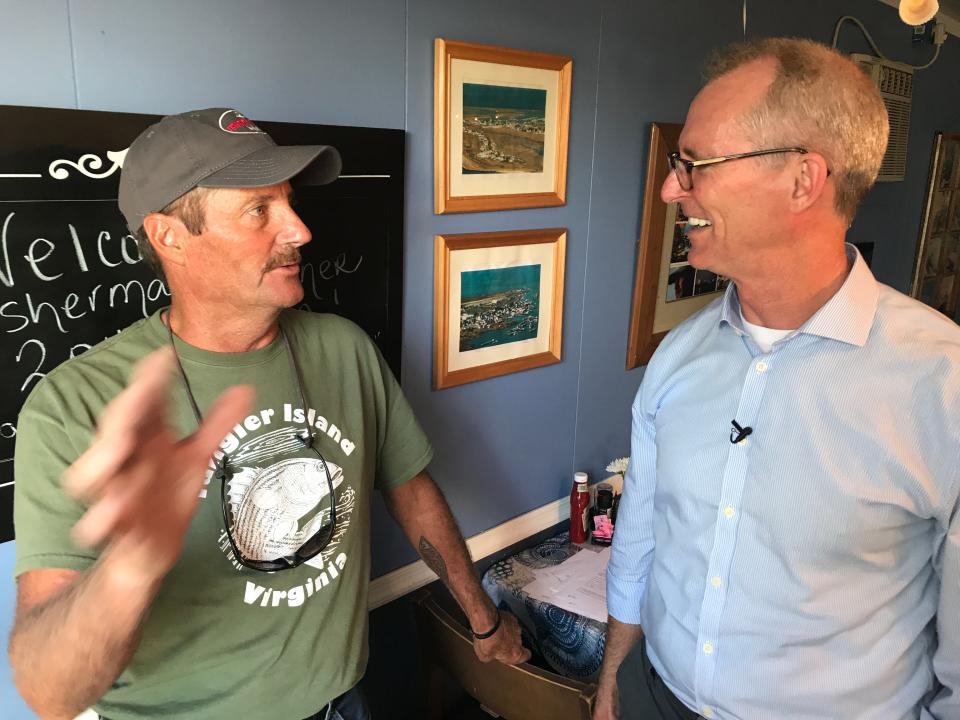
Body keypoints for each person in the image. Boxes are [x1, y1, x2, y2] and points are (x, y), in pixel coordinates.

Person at [9, 108, 529, 720]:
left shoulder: (343, 347)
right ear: (170, 236)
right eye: (260, 210)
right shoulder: (76, 405)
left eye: (288, 202)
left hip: (345, 701)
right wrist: (133, 563)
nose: (300, 230)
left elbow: (410, 491)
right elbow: (48, 695)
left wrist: (482, 617)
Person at [595, 38, 960, 720]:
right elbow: (640, 545)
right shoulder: (679, 356)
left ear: (802, 180)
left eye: (693, 163)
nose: (672, 187)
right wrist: (614, 686)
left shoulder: (943, 386)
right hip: (655, 699)